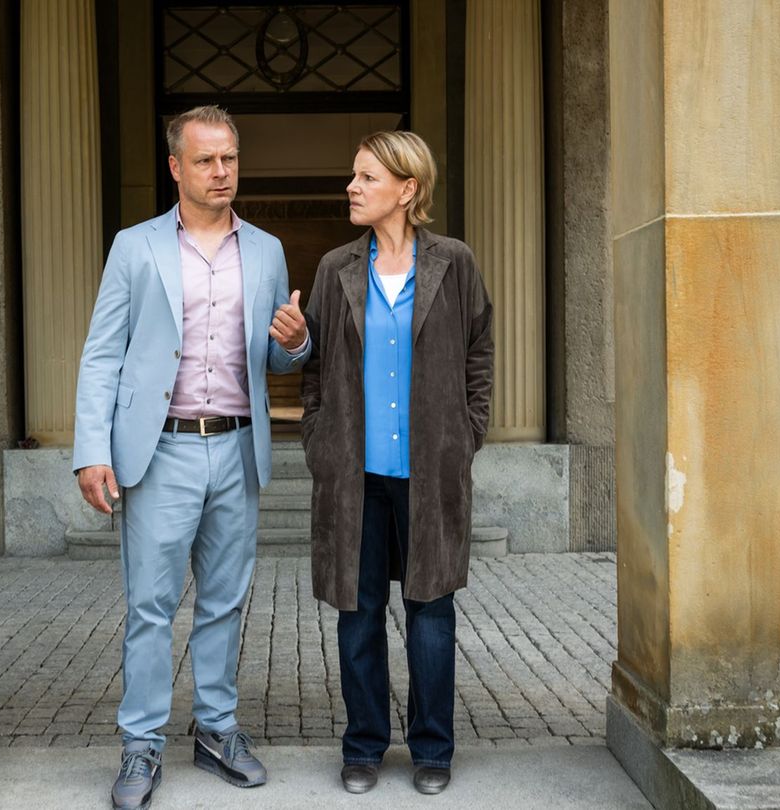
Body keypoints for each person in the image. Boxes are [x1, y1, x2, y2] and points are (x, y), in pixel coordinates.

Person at [73, 104, 310, 810]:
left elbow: (272, 354)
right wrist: (91, 450)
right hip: (160, 451)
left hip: (237, 446)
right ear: (175, 167)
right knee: (150, 606)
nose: (221, 172)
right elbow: (102, 355)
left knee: (225, 603)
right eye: (206, 160)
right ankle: (142, 743)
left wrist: (295, 342)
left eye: (230, 158)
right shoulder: (134, 246)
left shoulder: (264, 250)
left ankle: (216, 732)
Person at [300, 131, 493, 796]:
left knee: (430, 615)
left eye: (366, 177)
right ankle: (364, 746)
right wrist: (319, 437)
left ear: (407, 190)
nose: (351, 187)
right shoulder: (334, 270)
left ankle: (433, 750)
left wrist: (468, 431)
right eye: (352, 176)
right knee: (357, 617)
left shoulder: (454, 263)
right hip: (354, 472)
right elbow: (317, 367)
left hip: (429, 470)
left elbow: (478, 352)